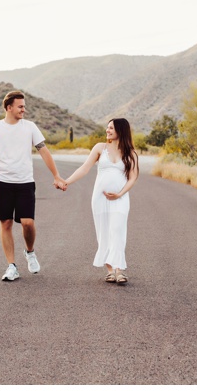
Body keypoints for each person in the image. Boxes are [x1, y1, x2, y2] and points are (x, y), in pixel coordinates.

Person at [0, 91, 67, 282]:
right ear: (8, 107)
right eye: (20, 106)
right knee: (6, 223)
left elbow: (43, 151)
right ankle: (12, 266)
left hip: (25, 182)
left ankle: (30, 251)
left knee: (27, 223)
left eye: (24, 106)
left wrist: (56, 175)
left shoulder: (30, 127)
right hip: (3, 183)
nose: (23, 109)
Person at [63, 118, 139, 284]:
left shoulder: (131, 153)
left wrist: (120, 194)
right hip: (100, 198)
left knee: (118, 231)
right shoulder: (100, 148)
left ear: (121, 130)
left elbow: (133, 178)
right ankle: (110, 271)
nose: (107, 130)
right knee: (104, 232)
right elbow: (84, 168)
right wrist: (67, 181)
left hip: (121, 199)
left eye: (111, 128)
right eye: (107, 127)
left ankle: (120, 270)